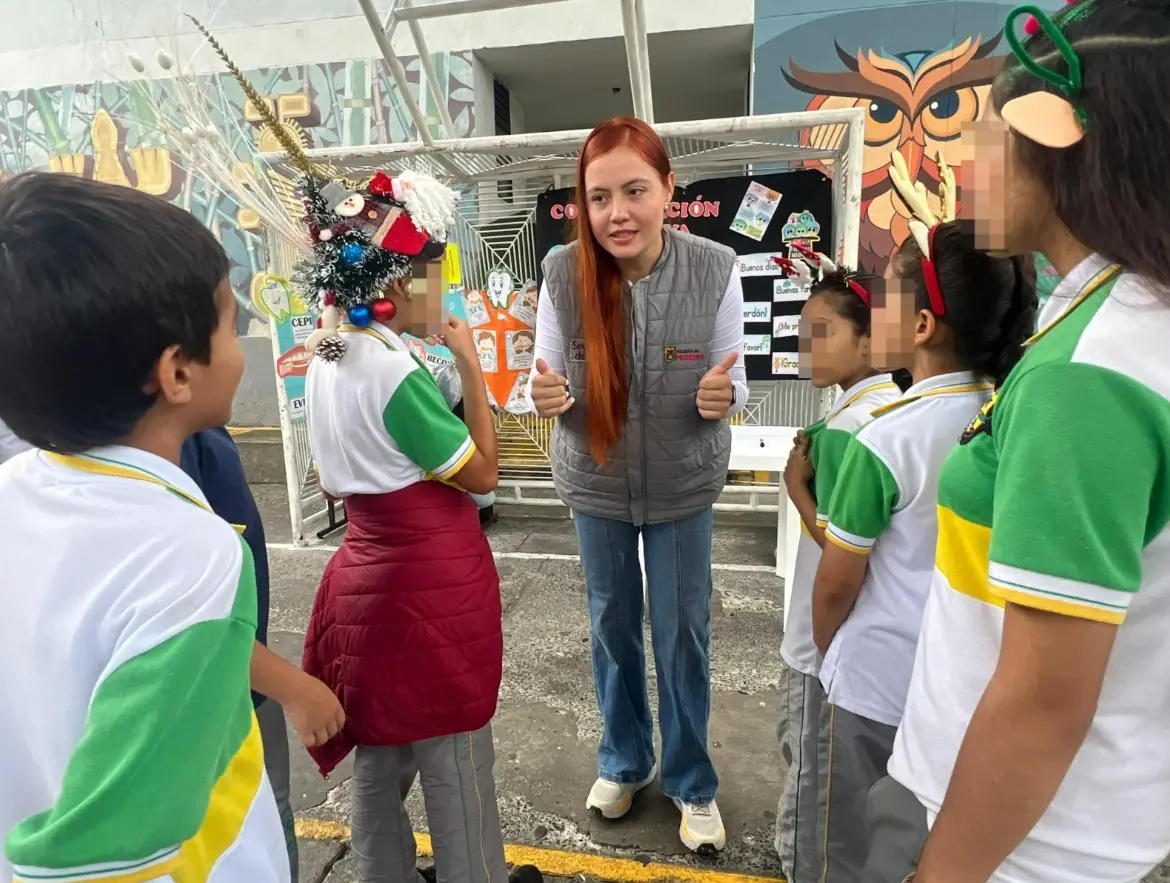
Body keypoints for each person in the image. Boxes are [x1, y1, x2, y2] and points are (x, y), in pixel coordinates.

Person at [865, 3, 1170, 882]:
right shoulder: (1124, 319)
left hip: (1015, 843)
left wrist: (942, 870)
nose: (970, 172)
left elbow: (1042, 699)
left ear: (1059, 147)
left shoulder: (1092, 375)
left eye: (989, 142)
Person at [0, 173, 288, 881]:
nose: (237, 343)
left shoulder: (14, 494)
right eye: (227, 322)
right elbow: (108, 849)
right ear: (177, 371)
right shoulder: (191, 556)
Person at [282, 164, 538, 883]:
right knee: (453, 757)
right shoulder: (395, 374)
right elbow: (483, 474)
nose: (445, 286)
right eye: (436, 270)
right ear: (396, 284)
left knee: (381, 751)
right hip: (426, 587)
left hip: (362, 578)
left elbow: (333, 479)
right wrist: (472, 365)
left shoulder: (331, 355)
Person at [809, 151, 1035, 882]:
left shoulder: (885, 436)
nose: (874, 309)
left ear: (925, 323)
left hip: (871, 685)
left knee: (845, 844)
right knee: (913, 843)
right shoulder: (1003, 414)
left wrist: (827, 656)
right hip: (950, 689)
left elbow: (836, 584)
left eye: (887, 297)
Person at [528, 115, 748, 855]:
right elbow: (544, 372)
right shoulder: (563, 272)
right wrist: (544, 396)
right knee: (611, 626)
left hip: (683, 480)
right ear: (581, 205)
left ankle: (691, 781)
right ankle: (624, 761)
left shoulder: (714, 265)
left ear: (667, 193)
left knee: (682, 632)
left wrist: (725, 398)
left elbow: (733, 377)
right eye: (598, 197)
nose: (616, 213)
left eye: (633, 191)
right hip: (596, 478)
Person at [779, 251, 901, 883]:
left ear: (872, 337)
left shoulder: (854, 427)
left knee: (816, 781)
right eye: (803, 331)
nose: (806, 344)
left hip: (825, 646)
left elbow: (838, 546)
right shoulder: (881, 411)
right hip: (859, 646)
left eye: (822, 331)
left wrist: (796, 485)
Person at [181, 425, 349, 882]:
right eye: (222, 346)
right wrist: (290, 687)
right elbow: (179, 607)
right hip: (216, 692)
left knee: (269, 814)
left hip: (243, 677)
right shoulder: (160, 449)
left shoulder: (199, 430)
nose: (236, 352)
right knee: (250, 822)